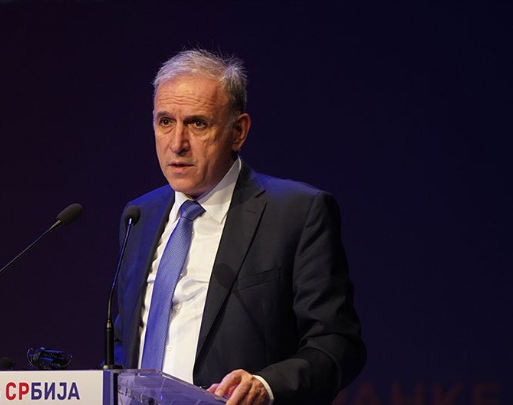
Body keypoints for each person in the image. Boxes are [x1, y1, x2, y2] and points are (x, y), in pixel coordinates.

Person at [113, 49, 366, 405]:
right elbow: (126, 341)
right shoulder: (140, 215)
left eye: (197, 124)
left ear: (238, 131)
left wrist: (266, 385)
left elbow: (336, 343)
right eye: (165, 121)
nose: (177, 144)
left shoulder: (296, 213)